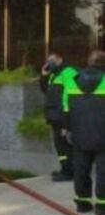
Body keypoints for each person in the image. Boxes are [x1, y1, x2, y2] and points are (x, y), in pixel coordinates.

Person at [63, 50, 105, 215]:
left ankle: (83, 203)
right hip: (103, 134)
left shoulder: (72, 80)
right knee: (103, 171)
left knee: (81, 169)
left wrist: (67, 129)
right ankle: (102, 206)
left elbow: (66, 107)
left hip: (79, 134)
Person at [40, 53, 78, 181]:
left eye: (53, 60)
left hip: (63, 115)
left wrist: (67, 118)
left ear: (61, 60)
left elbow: (70, 95)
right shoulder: (53, 75)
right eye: (48, 60)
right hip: (54, 116)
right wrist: (44, 76)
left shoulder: (68, 72)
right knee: (59, 145)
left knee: (65, 144)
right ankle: (65, 169)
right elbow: (45, 90)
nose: (50, 62)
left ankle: (70, 172)